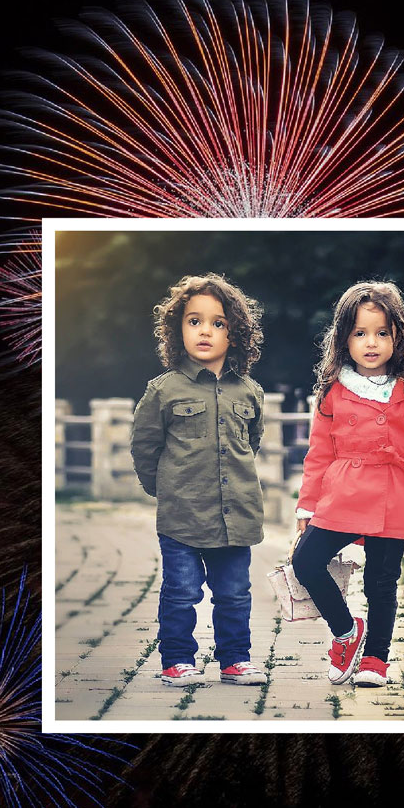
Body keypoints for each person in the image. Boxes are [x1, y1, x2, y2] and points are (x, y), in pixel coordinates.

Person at [292, 281, 404, 687]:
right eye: (360, 333)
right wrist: (306, 508)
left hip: (395, 492)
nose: (372, 343)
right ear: (344, 338)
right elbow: (318, 455)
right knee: (306, 561)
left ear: (398, 335)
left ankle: (376, 658)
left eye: (382, 332)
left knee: (382, 580)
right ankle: (346, 632)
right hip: (342, 491)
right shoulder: (333, 389)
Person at [130, 273, 268, 686]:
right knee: (181, 592)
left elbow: (252, 443)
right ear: (178, 330)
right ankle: (176, 660)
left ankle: (235, 660)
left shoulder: (250, 392)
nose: (205, 330)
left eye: (218, 323)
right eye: (194, 321)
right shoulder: (162, 391)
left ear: (235, 334)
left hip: (237, 516)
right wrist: (168, 490)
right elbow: (144, 448)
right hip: (182, 517)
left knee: (234, 594)